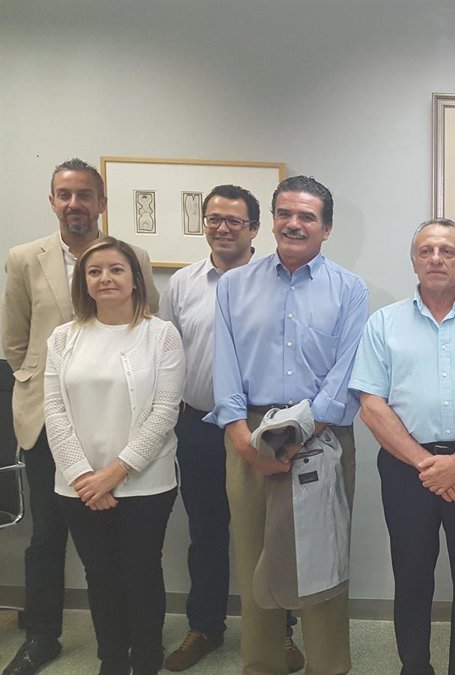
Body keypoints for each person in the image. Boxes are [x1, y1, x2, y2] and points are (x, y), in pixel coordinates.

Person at [2, 159, 158, 675]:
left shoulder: (131, 256)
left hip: (119, 424)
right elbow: (15, 341)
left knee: (119, 548)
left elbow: (147, 323)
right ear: (52, 201)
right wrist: (49, 387)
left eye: (85, 194)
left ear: (101, 202)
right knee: (47, 536)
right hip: (48, 422)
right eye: (65, 194)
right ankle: (41, 636)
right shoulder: (24, 258)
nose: (75, 203)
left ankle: (129, 642)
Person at [207, 176, 367, 675]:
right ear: (272, 221)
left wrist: (299, 435)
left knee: (322, 564)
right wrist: (242, 439)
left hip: (322, 436)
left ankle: (328, 667)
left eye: (307, 216)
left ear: (326, 228)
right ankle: (263, 665)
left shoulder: (349, 290)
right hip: (250, 436)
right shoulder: (234, 286)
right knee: (254, 560)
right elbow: (225, 366)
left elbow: (346, 374)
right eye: (285, 214)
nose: (294, 224)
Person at [351, 218, 455, 675]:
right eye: (426, 251)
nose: (435, 259)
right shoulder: (383, 324)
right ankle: (415, 666)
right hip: (407, 466)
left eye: (447, 251)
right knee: (410, 573)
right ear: (414, 261)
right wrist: (430, 465)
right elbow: (371, 405)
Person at [161, 185, 304, 673]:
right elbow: (168, 355)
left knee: (270, 533)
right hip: (200, 425)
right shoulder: (182, 284)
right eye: (213, 219)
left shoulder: (276, 283)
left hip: (261, 426)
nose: (222, 228)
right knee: (205, 532)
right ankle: (204, 626)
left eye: (234, 221)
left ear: (254, 229)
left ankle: (280, 632)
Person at [43, 237, 181, 674]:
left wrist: (115, 472)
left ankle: (146, 658)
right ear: (83, 282)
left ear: (136, 279)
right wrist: (84, 475)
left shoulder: (161, 335)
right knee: (99, 575)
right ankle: (112, 660)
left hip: (145, 482)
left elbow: (165, 411)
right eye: (94, 271)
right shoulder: (63, 338)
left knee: (142, 573)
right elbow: (54, 410)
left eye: (116, 269)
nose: (105, 278)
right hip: (79, 485)